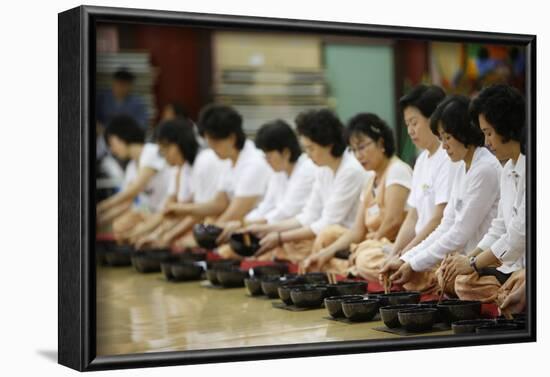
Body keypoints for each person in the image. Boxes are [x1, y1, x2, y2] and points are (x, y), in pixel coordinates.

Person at [379, 95, 502, 295]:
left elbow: (459, 233)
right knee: (441, 275)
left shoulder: (484, 168)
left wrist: (413, 263)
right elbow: (446, 225)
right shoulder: (464, 167)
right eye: (441, 138)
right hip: (461, 259)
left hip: (484, 262)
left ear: (463, 133)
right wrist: (406, 260)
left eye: (447, 138)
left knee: (456, 281)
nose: (444, 146)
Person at [439, 84, 526, 302]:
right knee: (457, 280)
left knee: (464, 283)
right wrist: (468, 260)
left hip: (525, 267)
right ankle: (511, 294)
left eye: (489, 133)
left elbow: (518, 236)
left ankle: (516, 293)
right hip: (508, 266)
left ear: (507, 128)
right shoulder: (507, 170)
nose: (487, 142)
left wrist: (471, 264)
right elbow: (499, 228)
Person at [300, 113, 412, 277]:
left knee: (365, 259)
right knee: (327, 236)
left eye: (362, 147)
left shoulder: (397, 170)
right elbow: (357, 230)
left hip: (395, 246)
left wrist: (365, 246)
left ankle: (350, 270)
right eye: (353, 150)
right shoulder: (371, 179)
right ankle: (346, 269)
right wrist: (326, 253)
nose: (358, 155)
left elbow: (393, 222)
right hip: (371, 244)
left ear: (381, 143)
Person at [251, 109, 368, 264]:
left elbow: (328, 222)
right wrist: (268, 229)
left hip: (345, 237)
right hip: (325, 234)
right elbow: (308, 215)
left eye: (311, 148)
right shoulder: (322, 168)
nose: (307, 154)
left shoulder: (350, 170)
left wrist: (279, 237)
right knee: (292, 242)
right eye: (305, 148)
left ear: (329, 144)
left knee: (324, 235)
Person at [370, 85, 455, 290]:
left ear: (435, 118)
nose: (410, 130)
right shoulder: (422, 160)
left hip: (436, 251)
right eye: (407, 124)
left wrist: (406, 256)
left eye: (414, 122)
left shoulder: (450, 157)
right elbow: (413, 217)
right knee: (373, 257)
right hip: (416, 248)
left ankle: (423, 277)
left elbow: (438, 219)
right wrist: (395, 253)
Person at [162, 104, 272, 248]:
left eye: (215, 143)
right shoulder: (228, 161)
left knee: (210, 234)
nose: (212, 148)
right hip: (239, 224)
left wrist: (206, 235)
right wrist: (182, 210)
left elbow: (236, 212)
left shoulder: (253, 164)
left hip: (256, 226)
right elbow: (219, 203)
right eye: (209, 143)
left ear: (231, 138)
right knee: (207, 223)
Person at [215, 119, 317, 257]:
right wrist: (243, 224)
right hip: (279, 228)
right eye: (264, 156)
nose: (266, 161)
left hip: (298, 231)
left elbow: (286, 211)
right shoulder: (278, 172)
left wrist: (244, 224)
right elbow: (266, 206)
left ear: (285, 152)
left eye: (269, 156)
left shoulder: (306, 169)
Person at [131, 119, 227, 249]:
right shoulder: (180, 168)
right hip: (199, 221)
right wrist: (156, 234)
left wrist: (166, 237)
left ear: (178, 145)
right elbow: (171, 211)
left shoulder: (204, 161)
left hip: (217, 220)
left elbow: (199, 213)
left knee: (185, 243)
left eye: (164, 150)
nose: (164, 156)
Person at [96, 115, 171, 240]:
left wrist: (101, 207)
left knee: (136, 232)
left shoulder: (150, 152)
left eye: (111, 143)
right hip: (151, 213)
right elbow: (125, 203)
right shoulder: (131, 166)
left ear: (121, 136)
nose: (112, 150)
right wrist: (100, 218)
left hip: (165, 215)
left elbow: (135, 189)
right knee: (119, 226)